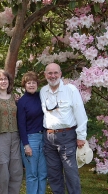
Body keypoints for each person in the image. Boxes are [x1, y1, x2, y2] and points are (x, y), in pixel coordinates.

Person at [40, 63, 88, 194]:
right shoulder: (43, 91)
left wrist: (81, 136)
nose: (53, 76)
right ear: (45, 75)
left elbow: (80, 113)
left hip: (67, 137)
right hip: (49, 137)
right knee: (54, 174)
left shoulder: (71, 89)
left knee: (71, 173)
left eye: (55, 73)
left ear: (60, 74)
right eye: (50, 73)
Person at [0, 69, 23, 194]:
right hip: (0, 136)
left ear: (9, 81)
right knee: (2, 168)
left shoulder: (14, 97)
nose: (3, 81)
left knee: (16, 169)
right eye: (1, 79)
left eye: (5, 79)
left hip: (15, 135)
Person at [17, 71, 47, 194]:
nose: (31, 85)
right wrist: (26, 145)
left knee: (43, 174)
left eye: (33, 82)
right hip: (30, 140)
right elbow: (21, 125)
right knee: (32, 174)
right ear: (24, 85)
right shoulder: (22, 102)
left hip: (44, 138)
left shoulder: (42, 96)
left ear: (37, 84)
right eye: (28, 83)